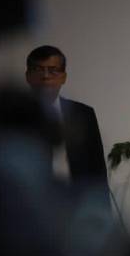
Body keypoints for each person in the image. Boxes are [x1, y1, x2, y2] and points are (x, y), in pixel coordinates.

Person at [25, 45, 108, 183]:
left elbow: (97, 167)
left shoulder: (83, 113)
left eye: (53, 70)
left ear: (63, 77)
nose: (46, 76)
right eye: (38, 70)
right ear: (28, 76)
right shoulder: (13, 116)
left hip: (76, 193)